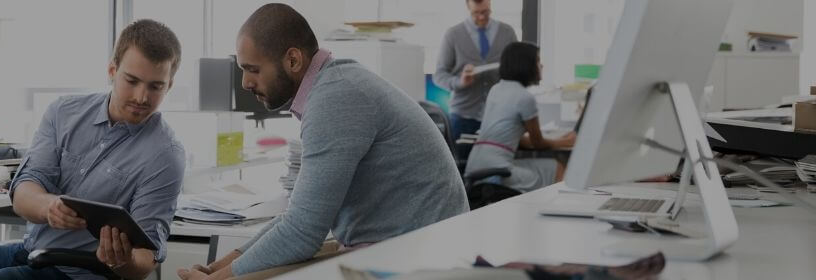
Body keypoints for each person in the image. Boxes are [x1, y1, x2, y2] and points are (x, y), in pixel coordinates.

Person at [177, 4, 466, 280]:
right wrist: (215, 269)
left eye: (252, 69)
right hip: (405, 246)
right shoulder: (335, 85)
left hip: (416, 257)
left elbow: (302, 233)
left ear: (292, 60)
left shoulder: (335, 99)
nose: (245, 83)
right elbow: (298, 219)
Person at [0, 19, 186, 280]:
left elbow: (145, 262)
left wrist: (121, 261)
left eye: (155, 87)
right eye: (132, 81)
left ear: (169, 85)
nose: (141, 97)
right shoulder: (64, 112)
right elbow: (24, 194)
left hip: (80, 274)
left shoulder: (165, 155)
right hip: (32, 252)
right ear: (112, 71)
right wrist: (50, 207)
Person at [464, 42, 575, 192]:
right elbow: (538, 143)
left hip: (475, 167)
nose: (541, 66)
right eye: (537, 61)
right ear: (526, 65)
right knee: (557, 168)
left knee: (542, 166)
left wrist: (559, 140)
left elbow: (513, 137)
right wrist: (565, 142)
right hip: (496, 172)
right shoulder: (525, 98)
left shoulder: (496, 89)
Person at [434, 0, 519, 160]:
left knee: (496, 166)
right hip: (464, 116)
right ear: (468, 6)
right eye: (476, 13)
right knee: (463, 168)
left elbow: (517, 70)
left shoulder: (507, 32)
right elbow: (439, 75)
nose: (481, 17)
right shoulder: (453, 34)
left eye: (486, 12)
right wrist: (460, 82)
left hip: (499, 115)